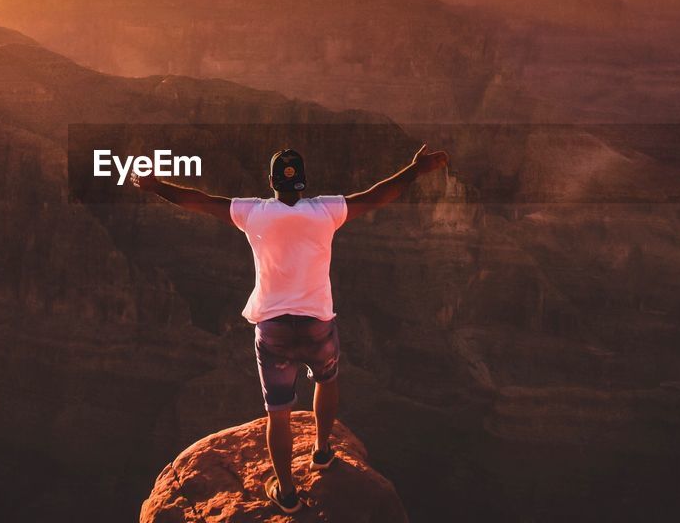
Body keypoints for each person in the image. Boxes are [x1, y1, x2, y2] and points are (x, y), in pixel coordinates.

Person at [131, 144, 450, 513]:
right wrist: (413, 169)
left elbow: (198, 201)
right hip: (317, 323)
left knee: (278, 413)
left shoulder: (252, 212)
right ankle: (322, 450)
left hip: (273, 329)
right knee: (327, 380)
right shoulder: (326, 210)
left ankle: (286, 492)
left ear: (270, 182)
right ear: (303, 183)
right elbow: (377, 195)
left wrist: (157, 186)